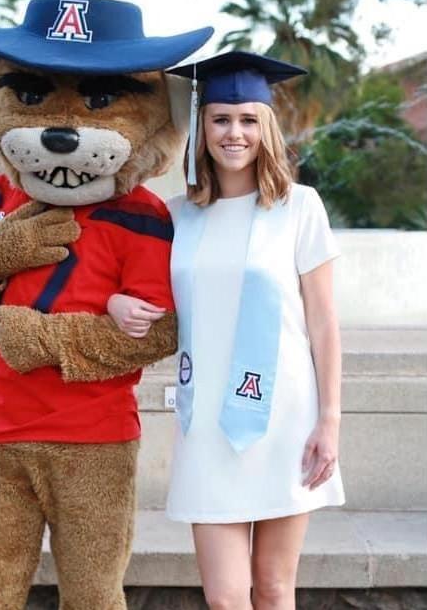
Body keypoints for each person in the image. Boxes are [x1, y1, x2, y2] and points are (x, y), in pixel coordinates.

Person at [107, 51, 345, 610]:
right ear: (202, 126)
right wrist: (116, 301)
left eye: (246, 120)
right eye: (220, 119)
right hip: (207, 424)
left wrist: (330, 421)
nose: (233, 133)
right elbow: (139, 290)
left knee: (273, 588)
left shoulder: (299, 207)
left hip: (284, 417)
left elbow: (324, 322)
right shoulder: (175, 215)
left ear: (265, 126)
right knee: (226, 596)